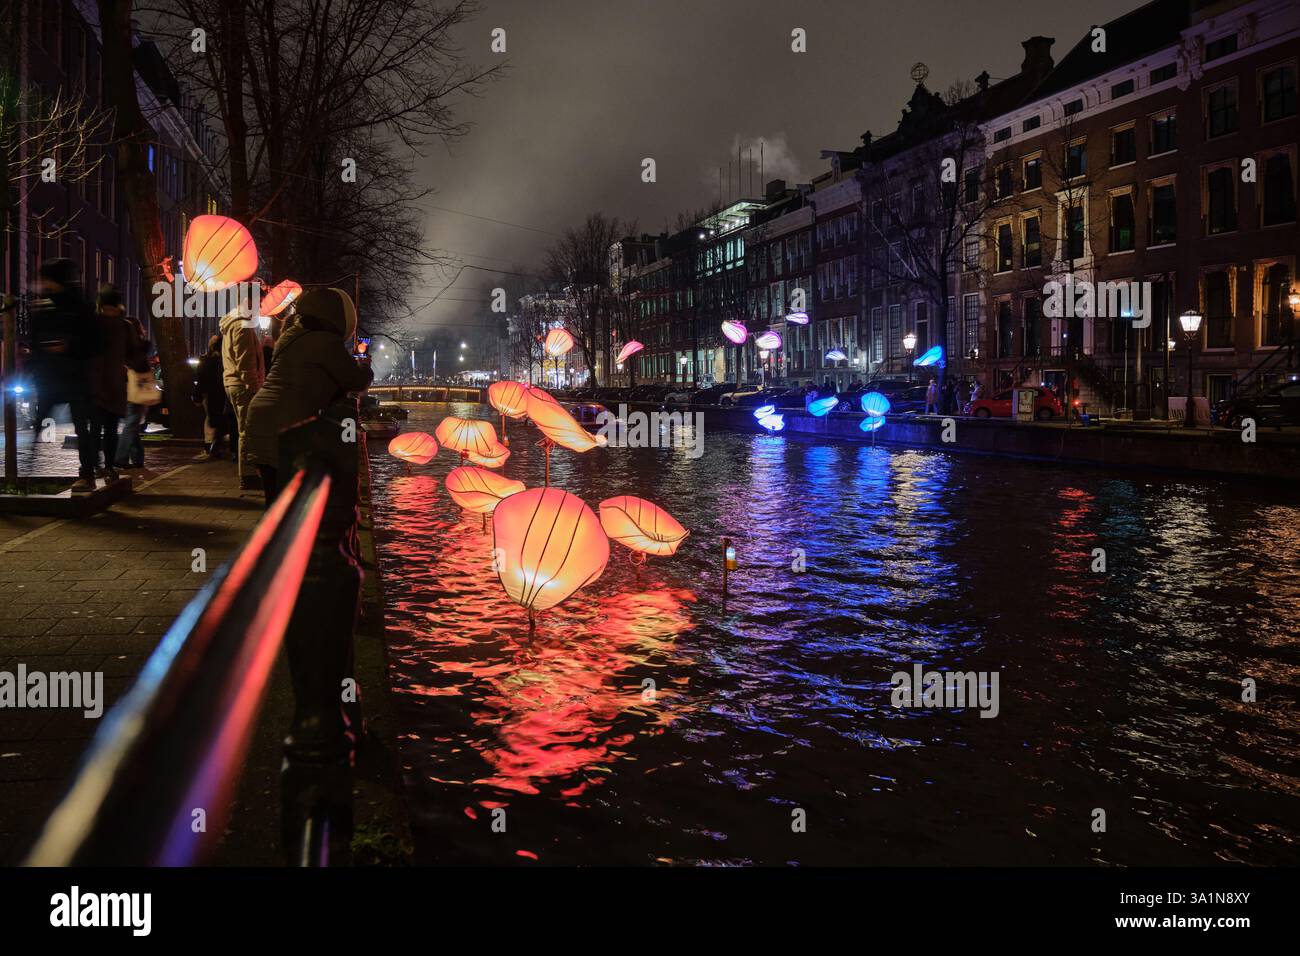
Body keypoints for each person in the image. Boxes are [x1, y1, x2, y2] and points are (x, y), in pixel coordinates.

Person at [245, 288, 373, 507]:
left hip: (260, 419)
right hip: (287, 425)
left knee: (274, 502)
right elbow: (354, 379)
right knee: (291, 505)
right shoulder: (324, 341)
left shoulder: (291, 335)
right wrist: (365, 367)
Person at [30, 259, 102, 492]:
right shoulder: (44, 306)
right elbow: (36, 340)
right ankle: (27, 471)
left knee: (82, 426)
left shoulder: (80, 306)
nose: (42, 283)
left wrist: (69, 346)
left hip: (74, 376)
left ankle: (87, 473)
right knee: (39, 424)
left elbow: (95, 343)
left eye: (46, 279)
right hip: (51, 377)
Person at [220, 297, 265, 491]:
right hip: (243, 386)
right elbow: (245, 361)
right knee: (247, 429)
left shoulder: (234, 323)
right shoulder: (243, 326)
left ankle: (248, 473)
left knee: (245, 428)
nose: (260, 309)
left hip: (234, 383)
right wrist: (254, 387)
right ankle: (247, 475)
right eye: (259, 305)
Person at [89, 285, 130, 480]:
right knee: (107, 429)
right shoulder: (123, 326)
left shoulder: (94, 324)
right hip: (109, 385)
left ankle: (100, 466)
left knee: (100, 428)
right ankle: (106, 466)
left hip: (101, 385)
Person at [115, 312, 152, 471]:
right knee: (132, 422)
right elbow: (141, 366)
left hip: (125, 386)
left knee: (132, 422)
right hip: (137, 386)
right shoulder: (138, 347)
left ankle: (137, 458)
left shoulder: (120, 347)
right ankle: (122, 458)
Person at [192, 335, 229, 459]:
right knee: (219, 420)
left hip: (210, 395)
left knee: (210, 420)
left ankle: (210, 446)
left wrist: (197, 396)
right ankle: (216, 445)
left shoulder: (206, 361)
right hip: (222, 393)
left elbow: (201, 380)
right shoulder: (225, 360)